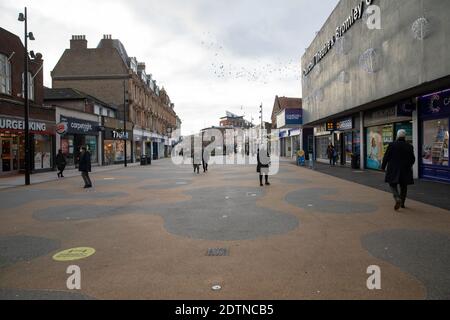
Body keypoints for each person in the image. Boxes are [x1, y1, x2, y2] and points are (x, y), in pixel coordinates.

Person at [382, 130, 416, 211]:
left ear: (397, 136)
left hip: (393, 168)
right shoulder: (409, 146)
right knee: (404, 186)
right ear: (405, 137)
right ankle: (402, 203)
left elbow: (386, 156)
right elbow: (413, 159)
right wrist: (409, 165)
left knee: (392, 184)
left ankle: (397, 198)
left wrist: (383, 166)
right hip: (405, 169)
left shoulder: (392, 145)